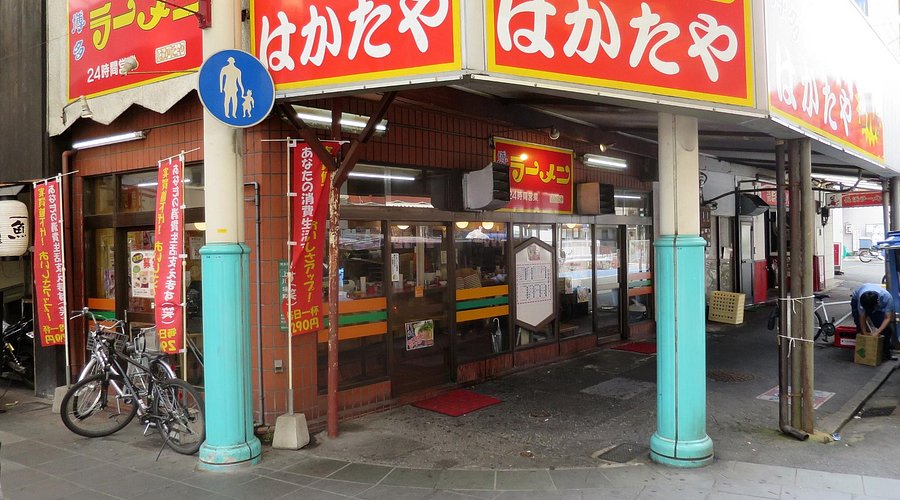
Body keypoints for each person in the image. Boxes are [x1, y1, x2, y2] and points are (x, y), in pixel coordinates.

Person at [850, 283, 896, 361]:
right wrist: (864, 333)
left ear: (877, 303)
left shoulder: (887, 298)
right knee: (860, 327)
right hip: (856, 298)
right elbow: (862, 317)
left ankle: (886, 353)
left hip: (877, 304)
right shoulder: (862, 299)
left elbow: (887, 318)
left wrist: (877, 332)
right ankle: (862, 354)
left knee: (887, 330)